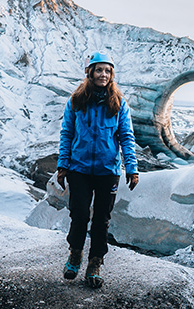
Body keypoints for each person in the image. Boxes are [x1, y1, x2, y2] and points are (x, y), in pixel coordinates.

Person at [56, 51, 139, 288]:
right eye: (99, 69)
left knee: (102, 219)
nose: (103, 74)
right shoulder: (76, 101)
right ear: (89, 72)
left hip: (107, 171)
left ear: (112, 74)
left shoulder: (119, 104)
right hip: (79, 169)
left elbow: (126, 136)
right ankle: (75, 254)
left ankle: (95, 262)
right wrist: (63, 165)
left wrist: (131, 168)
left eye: (107, 70)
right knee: (79, 214)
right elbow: (67, 134)